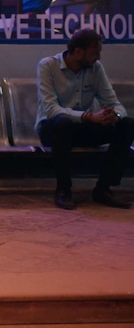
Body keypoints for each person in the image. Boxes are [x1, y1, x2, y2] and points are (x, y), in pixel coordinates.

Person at [36, 28, 133, 210]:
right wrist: (89, 117)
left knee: (127, 125)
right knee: (62, 125)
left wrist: (114, 115)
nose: (98, 58)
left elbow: (114, 102)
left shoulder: (95, 69)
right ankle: (63, 190)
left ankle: (104, 188)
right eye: (94, 53)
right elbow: (51, 110)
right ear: (78, 51)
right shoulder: (48, 66)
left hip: (83, 127)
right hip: (53, 129)